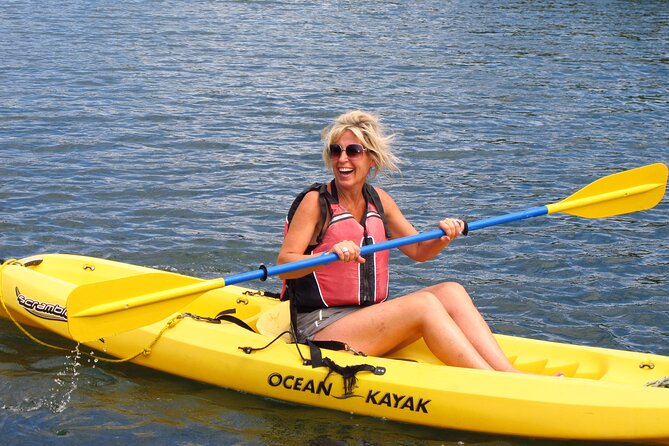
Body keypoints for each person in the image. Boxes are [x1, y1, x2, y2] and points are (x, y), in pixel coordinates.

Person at [277, 110, 523, 373]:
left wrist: (444, 235)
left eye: (353, 151)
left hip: (364, 318)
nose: (342, 159)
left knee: (451, 291)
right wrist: (324, 255)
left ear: (372, 159)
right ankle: (493, 383)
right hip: (319, 327)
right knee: (424, 305)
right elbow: (284, 262)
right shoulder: (316, 203)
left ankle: (510, 374)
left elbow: (419, 250)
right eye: (336, 151)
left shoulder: (379, 200)